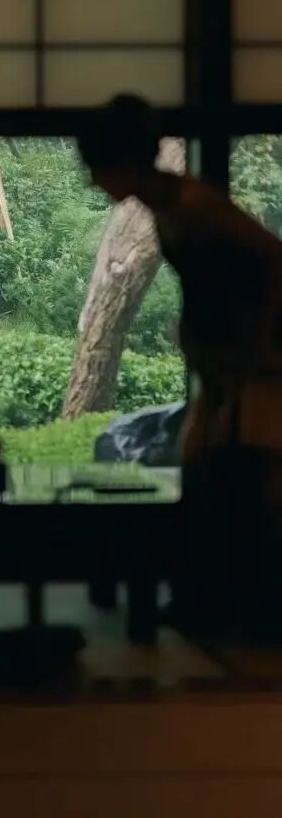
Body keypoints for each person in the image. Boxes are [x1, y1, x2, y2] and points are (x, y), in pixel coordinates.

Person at [79, 95, 282, 630]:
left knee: (247, 474)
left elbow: (271, 263)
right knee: (203, 467)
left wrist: (259, 347)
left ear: (124, 163)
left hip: (258, 360)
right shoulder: (168, 206)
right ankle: (209, 599)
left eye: (98, 168)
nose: (94, 180)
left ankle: (247, 609)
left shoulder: (194, 206)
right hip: (225, 359)